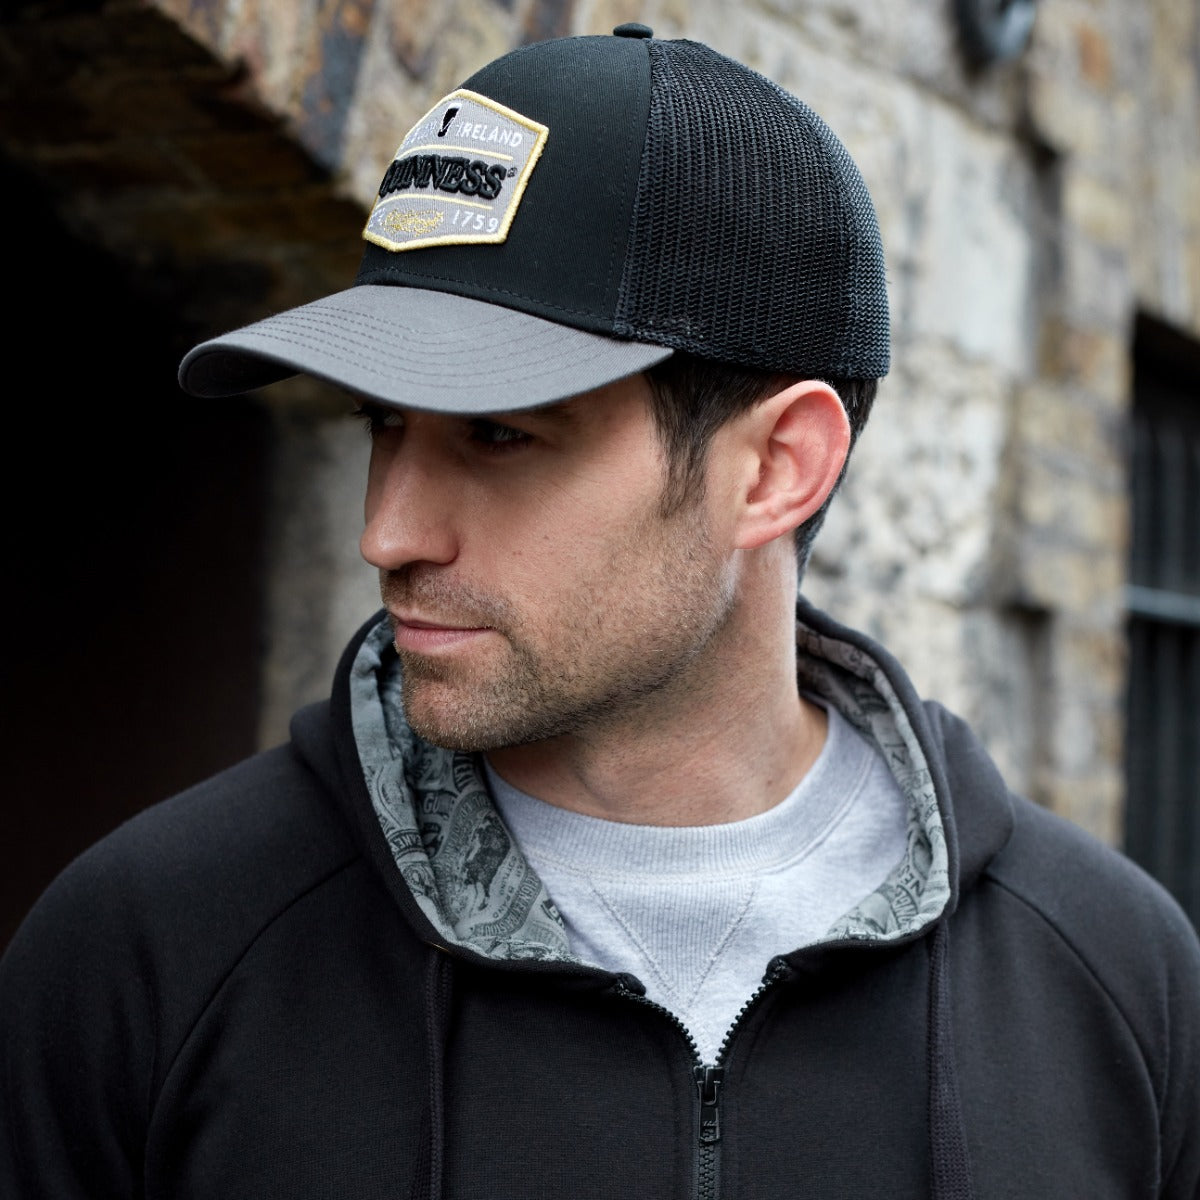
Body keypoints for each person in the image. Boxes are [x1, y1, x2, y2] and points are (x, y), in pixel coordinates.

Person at [2, 24, 1197, 1200]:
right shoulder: (149, 953)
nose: (389, 532)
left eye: (502, 435)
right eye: (384, 424)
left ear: (778, 467)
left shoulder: (1114, 982)